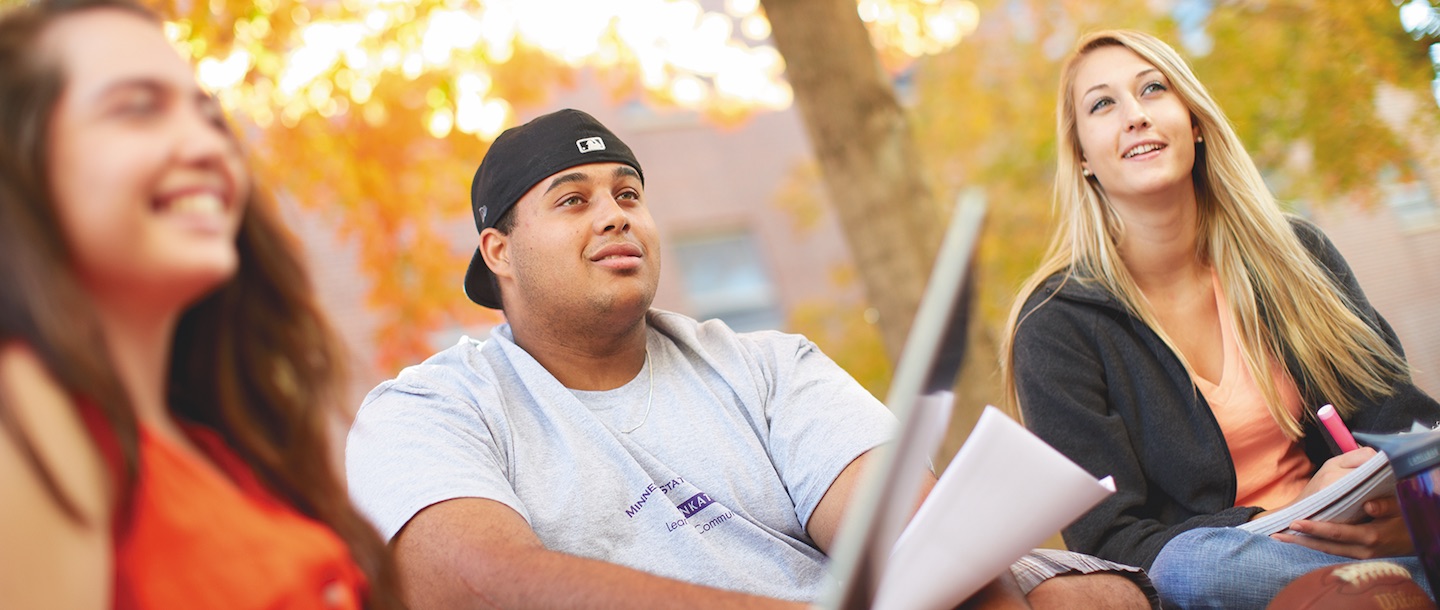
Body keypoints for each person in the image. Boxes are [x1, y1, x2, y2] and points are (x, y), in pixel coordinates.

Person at [345, 107, 1158, 610]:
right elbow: (474, 586)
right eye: (574, 200)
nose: (617, 216)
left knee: (1111, 594)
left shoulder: (767, 364)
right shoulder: (427, 411)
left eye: (629, 194)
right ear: (500, 253)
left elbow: (902, 540)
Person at [1000, 29, 1440, 609]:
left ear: (1195, 121)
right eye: (1103, 104)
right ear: (1082, 156)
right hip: (1234, 575)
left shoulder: (1295, 255)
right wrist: (1288, 520)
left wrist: (1407, 513)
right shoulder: (1055, 327)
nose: (1135, 115)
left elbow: (1402, 419)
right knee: (1190, 566)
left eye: (1153, 89)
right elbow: (1111, 539)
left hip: (1377, 543)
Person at [0, 1, 402, 607]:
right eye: (137, 109)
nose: (207, 146)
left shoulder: (223, 444)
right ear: (21, 163)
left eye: (211, 119)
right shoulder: (30, 415)